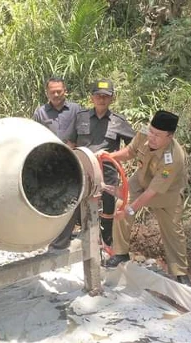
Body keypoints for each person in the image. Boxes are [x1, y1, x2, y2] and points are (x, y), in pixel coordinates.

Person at [102, 110, 191, 286]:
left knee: (173, 230)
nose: (151, 137)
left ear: (170, 136)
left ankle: (180, 272)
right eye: (151, 131)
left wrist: (130, 209)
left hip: (166, 193)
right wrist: (109, 157)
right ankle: (120, 253)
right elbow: (130, 151)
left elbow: (152, 192)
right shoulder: (144, 133)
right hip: (141, 179)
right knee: (121, 205)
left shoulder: (174, 158)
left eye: (157, 135)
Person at [65, 78, 135, 249]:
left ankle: (108, 244)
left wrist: (113, 156)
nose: (101, 99)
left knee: (108, 209)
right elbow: (70, 143)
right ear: (92, 97)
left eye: (106, 96)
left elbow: (134, 147)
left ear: (112, 98)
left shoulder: (118, 121)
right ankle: (84, 240)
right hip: (82, 172)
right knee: (78, 204)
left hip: (107, 175)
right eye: (98, 95)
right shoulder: (81, 117)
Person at [33, 76, 82, 250]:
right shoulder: (40, 113)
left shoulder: (76, 110)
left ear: (65, 91)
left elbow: (83, 130)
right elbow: (35, 136)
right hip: (49, 165)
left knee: (72, 198)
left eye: (59, 91)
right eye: (52, 91)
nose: (56, 94)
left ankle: (63, 240)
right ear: (47, 92)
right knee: (50, 199)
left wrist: (74, 143)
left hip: (73, 162)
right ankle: (50, 236)